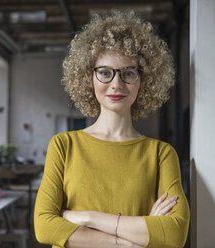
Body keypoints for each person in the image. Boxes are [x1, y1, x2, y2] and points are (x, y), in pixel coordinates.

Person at [34, 11, 190, 248]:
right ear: (89, 78)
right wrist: (129, 239)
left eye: (128, 73)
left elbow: (175, 233)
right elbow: (44, 227)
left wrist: (87, 218)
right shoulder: (64, 146)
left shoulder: (161, 154)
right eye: (105, 73)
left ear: (144, 80)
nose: (116, 84)